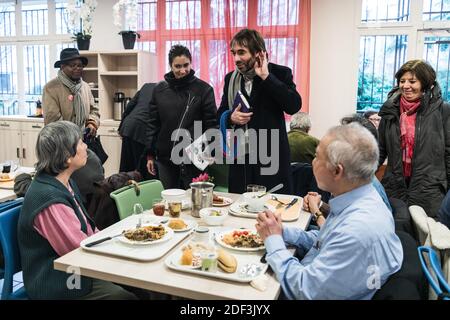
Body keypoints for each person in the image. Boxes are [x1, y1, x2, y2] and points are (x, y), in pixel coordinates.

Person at [256, 123, 403, 300]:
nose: (312, 162)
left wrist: (273, 242)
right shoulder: (359, 199)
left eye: (317, 157)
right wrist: (282, 233)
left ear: (336, 171)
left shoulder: (357, 229)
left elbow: (303, 289)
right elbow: (326, 240)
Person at [17, 121, 137, 300]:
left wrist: (118, 242)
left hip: (72, 269)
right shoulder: (49, 199)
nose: (86, 146)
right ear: (67, 156)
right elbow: (78, 250)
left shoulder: (64, 182)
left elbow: (88, 230)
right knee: (124, 296)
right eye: (80, 142)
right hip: (56, 281)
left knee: (137, 282)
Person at [217, 28, 301, 194]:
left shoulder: (279, 73)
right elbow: (220, 113)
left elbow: (293, 105)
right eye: (234, 53)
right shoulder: (230, 79)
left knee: (272, 210)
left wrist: (266, 77)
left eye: (242, 52)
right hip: (241, 160)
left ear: (258, 53)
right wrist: (231, 118)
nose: (236, 58)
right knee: (239, 210)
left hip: (271, 158)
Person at [378, 59, 450, 218]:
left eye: (412, 81)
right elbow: (379, 150)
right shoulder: (390, 110)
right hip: (395, 187)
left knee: (426, 237)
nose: (406, 86)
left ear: (425, 83)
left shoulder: (442, 111)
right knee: (398, 234)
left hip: (429, 190)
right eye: (402, 81)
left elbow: (448, 152)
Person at [145, 45, 217, 189]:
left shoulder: (204, 89)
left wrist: (212, 150)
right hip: (166, 158)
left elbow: (212, 124)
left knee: (196, 202)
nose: (182, 70)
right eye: (177, 66)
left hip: (196, 158)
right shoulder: (159, 90)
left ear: (191, 63)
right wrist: (150, 155)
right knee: (170, 202)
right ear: (170, 66)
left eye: (186, 65)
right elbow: (153, 124)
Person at [42, 48, 100, 137]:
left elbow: (94, 110)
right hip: (63, 142)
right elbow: (53, 121)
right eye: (73, 65)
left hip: (85, 140)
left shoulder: (85, 87)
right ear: (62, 67)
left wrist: (92, 123)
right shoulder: (51, 88)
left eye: (80, 65)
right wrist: (73, 137)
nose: (77, 68)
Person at [118, 82, 157, 180]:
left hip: (128, 127)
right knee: (140, 170)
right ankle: (138, 192)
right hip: (143, 131)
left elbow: (129, 106)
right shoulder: (165, 92)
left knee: (126, 167)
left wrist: (121, 126)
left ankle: (121, 191)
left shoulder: (147, 86)